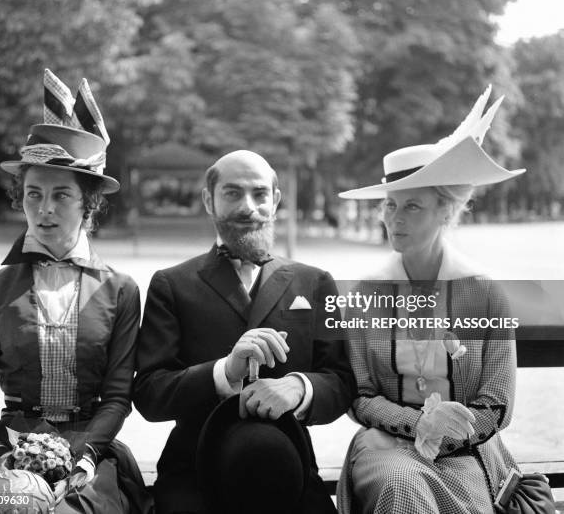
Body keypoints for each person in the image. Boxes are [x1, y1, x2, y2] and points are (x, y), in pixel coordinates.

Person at [0, 69, 149, 513]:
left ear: (89, 203)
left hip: (90, 453)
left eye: (62, 195)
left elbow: (118, 398)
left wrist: (83, 459)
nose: (44, 209)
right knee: (9, 505)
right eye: (32, 194)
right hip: (5, 450)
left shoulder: (121, 291)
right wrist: (2, 461)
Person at [336, 87, 526, 513]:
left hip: (467, 452)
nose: (393, 219)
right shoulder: (366, 294)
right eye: (389, 205)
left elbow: (498, 403)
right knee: (400, 485)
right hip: (385, 447)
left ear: (446, 211)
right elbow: (360, 394)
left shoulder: (486, 292)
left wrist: (448, 429)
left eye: (412, 207)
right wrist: (419, 422)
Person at [134, 149, 355, 514]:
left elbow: (342, 381)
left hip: (291, 467)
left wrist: (300, 387)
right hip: (194, 471)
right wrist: (224, 372)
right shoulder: (171, 284)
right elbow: (149, 394)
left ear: (276, 200)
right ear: (209, 200)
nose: (248, 206)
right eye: (232, 193)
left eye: (259, 194)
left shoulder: (315, 282)